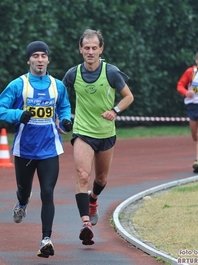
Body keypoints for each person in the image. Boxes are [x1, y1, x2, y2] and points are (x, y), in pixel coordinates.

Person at [0, 41, 72, 258]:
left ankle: (46, 239)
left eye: (43, 56)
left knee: (47, 193)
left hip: (49, 149)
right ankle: (21, 203)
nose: (39, 60)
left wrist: (65, 120)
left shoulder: (57, 85)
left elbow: (64, 106)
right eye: (35, 56)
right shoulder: (18, 85)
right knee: (24, 190)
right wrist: (18, 115)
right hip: (25, 150)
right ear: (29, 60)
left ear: (48, 59)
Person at [62, 29, 134, 245]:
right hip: (83, 131)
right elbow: (60, 98)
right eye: (87, 48)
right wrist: (61, 118)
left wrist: (115, 111)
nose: (90, 51)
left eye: (94, 48)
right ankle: (85, 224)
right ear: (80, 49)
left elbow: (129, 97)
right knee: (83, 175)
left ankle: (93, 200)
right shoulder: (72, 74)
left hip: (106, 133)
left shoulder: (111, 72)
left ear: (101, 49)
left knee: (100, 179)